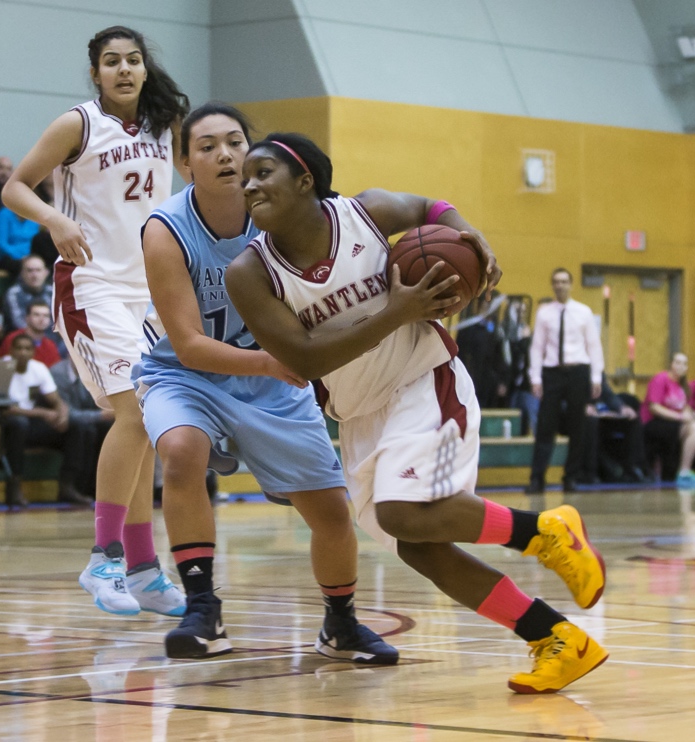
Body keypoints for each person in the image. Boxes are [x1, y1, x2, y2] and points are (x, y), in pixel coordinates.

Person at [226, 132, 608, 694]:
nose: (249, 185)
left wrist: (466, 232)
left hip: (423, 380)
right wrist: (395, 307)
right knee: (418, 547)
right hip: (359, 414)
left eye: (263, 173)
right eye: (245, 180)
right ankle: (557, 638)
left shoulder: (366, 212)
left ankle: (547, 532)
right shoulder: (249, 273)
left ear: (305, 180)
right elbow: (304, 358)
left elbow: (432, 208)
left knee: (405, 514)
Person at [136, 104, 397, 662]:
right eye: (206, 147)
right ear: (186, 165)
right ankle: (201, 607)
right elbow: (188, 345)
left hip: (274, 382)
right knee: (180, 451)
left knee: (330, 510)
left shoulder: (283, 213)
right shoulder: (164, 230)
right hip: (188, 377)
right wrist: (282, 363)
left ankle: (341, 624)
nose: (224, 154)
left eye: (234, 142)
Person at [1, 25, 190, 617]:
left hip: (149, 292)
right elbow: (14, 188)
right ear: (96, 72)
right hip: (91, 283)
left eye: (134, 60)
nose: (125, 70)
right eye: (113, 62)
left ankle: (142, 570)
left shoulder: (166, 126)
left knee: (143, 423)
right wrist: (54, 221)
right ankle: (103, 558)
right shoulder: (76, 125)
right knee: (134, 410)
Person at [526, 269, 604, 494]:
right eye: (556, 282)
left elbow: (593, 346)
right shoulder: (544, 313)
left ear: (571, 284)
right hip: (552, 373)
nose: (560, 285)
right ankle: (537, 478)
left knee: (578, 426)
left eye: (564, 281)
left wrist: (596, 376)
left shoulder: (583, 312)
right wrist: (535, 377)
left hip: (578, 371)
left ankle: (571, 477)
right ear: (552, 286)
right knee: (545, 426)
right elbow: (537, 347)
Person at [0, 334, 91, 507]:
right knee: (18, 424)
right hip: (6, 424)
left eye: (27, 349)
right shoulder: (1, 367)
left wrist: (62, 415)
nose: (22, 353)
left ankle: (67, 486)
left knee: (75, 426)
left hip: (30, 424)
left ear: (33, 352)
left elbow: (56, 401)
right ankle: (15, 487)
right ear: (11, 351)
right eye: (18, 348)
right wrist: (42, 413)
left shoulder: (38, 368)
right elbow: (4, 409)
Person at [50, 356, 113, 497]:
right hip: (52, 424)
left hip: (82, 421)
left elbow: (97, 405)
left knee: (106, 428)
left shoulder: (95, 373)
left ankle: (96, 487)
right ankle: (71, 486)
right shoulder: (59, 374)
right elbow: (66, 414)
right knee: (82, 429)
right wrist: (101, 415)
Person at [579, 375, 649, 484]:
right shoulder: (567, 368)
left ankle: (634, 468)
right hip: (573, 414)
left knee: (632, 418)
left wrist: (622, 407)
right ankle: (590, 473)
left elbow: (608, 394)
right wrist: (580, 406)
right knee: (591, 422)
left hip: (597, 413)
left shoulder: (596, 370)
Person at [641, 352, 695, 487]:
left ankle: (684, 472)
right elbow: (655, 407)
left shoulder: (683, 387)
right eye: (677, 362)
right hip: (653, 422)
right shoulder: (661, 379)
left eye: (684, 364)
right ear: (671, 364)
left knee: (693, 427)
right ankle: (683, 471)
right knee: (691, 427)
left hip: (672, 423)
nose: (680, 366)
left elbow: (686, 408)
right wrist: (680, 417)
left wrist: (687, 416)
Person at [455, 294, 508, 409]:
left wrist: (502, 381)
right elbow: (461, 355)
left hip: (490, 382)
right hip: (472, 378)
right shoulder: (468, 328)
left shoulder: (498, 330)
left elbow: (500, 358)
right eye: (487, 302)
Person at [504, 297, 538, 435]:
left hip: (526, 385)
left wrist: (526, 338)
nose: (521, 314)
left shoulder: (526, 331)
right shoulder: (504, 330)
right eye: (518, 310)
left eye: (524, 311)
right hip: (511, 384)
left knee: (532, 418)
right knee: (511, 421)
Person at [0, 300, 62, 368]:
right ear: (27, 318)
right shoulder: (13, 339)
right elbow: (1, 366)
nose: (41, 319)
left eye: (46, 316)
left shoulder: (51, 346)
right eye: (36, 315)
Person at [1, 254, 53, 331]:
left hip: (52, 339)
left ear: (46, 273)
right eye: (30, 270)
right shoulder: (13, 294)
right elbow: (18, 323)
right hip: (21, 339)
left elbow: (59, 322)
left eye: (38, 270)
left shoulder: (53, 292)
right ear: (22, 273)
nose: (34, 275)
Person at [0, 206, 41, 276]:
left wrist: (28, 256)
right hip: (9, 257)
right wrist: (20, 257)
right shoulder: (4, 214)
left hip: (30, 255)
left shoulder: (34, 216)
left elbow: (36, 241)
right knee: (17, 265)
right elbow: (1, 242)